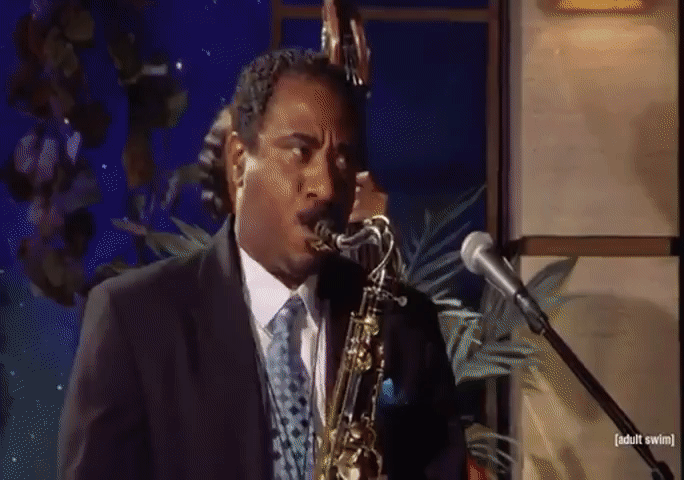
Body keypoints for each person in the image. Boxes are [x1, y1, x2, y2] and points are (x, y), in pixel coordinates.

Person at [57, 48, 468, 480]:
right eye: (301, 151)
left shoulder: (404, 324)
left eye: (343, 158)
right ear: (238, 163)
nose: (327, 187)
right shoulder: (133, 319)